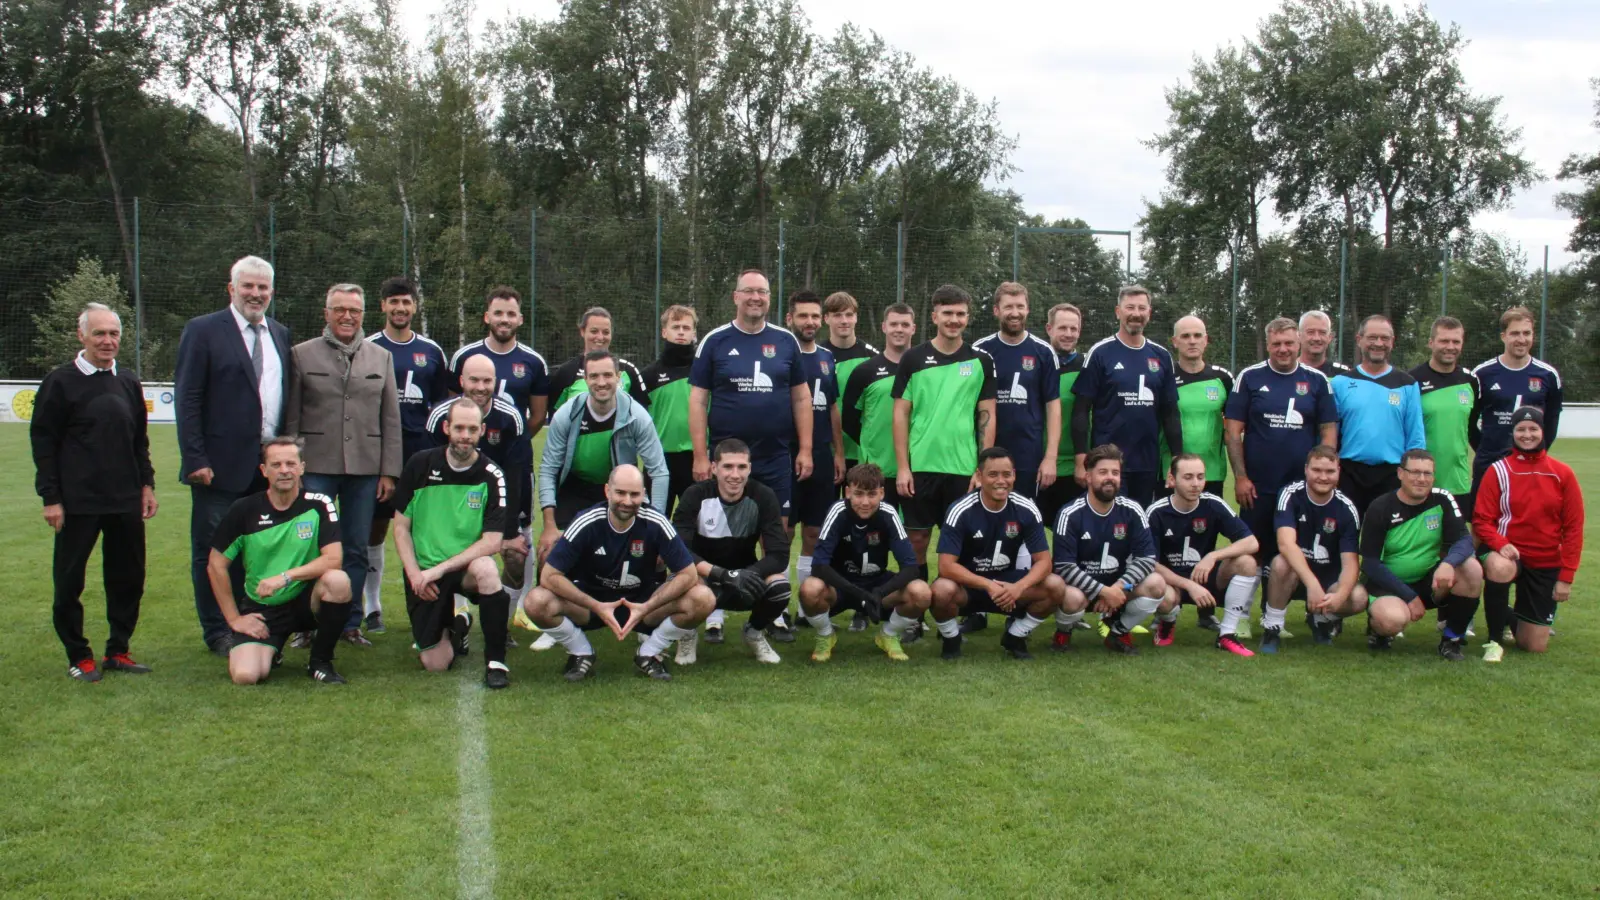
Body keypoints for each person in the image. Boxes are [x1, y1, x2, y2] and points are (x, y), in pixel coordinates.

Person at [32, 303, 158, 681]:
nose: (107, 341)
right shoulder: (60, 381)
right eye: (99, 333)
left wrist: (146, 484)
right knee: (69, 581)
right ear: (81, 336)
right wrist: (50, 497)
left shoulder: (128, 382)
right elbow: (44, 443)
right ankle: (78, 654)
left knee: (128, 578)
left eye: (114, 334)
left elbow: (139, 441)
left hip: (124, 500)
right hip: (77, 502)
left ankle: (118, 649)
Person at [175, 254, 293, 655]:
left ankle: (249, 620)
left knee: (256, 550)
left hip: (266, 468)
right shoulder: (204, 330)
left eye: (262, 288)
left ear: (271, 293)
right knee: (213, 552)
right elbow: (188, 399)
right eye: (248, 286)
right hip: (219, 467)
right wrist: (195, 458)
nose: (255, 294)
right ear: (232, 289)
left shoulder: (280, 333)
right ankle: (217, 630)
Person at [283, 283, 402, 648]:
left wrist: (388, 470)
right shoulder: (301, 355)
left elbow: (390, 418)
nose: (347, 317)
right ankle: (306, 622)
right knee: (310, 547)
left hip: (365, 470)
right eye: (339, 310)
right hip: (316, 465)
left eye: (354, 310)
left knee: (354, 548)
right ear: (326, 313)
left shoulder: (380, 357)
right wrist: (292, 464)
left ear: (364, 314)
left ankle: (348, 622)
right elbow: (291, 416)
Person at [521, 465, 713, 683]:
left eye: (635, 494)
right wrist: (597, 606)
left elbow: (687, 574)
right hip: (591, 604)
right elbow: (549, 575)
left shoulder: (656, 521)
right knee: (536, 601)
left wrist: (646, 607)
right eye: (620, 492)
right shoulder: (587, 521)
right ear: (607, 491)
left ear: (644, 494)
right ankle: (581, 651)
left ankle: (649, 653)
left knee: (703, 598)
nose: (627, 501)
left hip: (642, 604)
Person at [390, 401, 514, 688]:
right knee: (436, 664)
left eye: (472, 429)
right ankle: (458, 625)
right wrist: (416, 575)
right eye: (459, 427)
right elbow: (400, 527)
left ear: (482, 431)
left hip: (462, 568)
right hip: (424, 570)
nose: (465, 435)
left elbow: (493, 542)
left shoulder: (492, 475)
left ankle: (497, 663)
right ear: (446, 428)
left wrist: (440, 571)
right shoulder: (419, 465)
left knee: (487, 569)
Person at [210, 438, 352, 685]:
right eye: (276, 464)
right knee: (246, 676)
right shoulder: (244, 509)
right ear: (264, 471)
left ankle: (320, 661)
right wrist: (234, 619)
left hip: (305, 600)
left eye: (290, 463)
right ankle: (271, 650)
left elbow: (334, 558)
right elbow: (215, 564)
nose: (284, 470)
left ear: (302, 467)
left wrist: (286, 577)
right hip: (263, 606)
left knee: (338, 581)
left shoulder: (319, 504)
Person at [892, 285, 997, 584]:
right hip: (921, 466)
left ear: (968, 317)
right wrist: (903, 467)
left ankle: (955, 612)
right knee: (918, 541)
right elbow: (900, 414)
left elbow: (986, 416)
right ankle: (916, 609)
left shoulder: (982, 361)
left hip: (963, 469)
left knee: (963, 543)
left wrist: (982, 467)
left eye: (960, 314)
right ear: (935, 316)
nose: (954, 319)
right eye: (948, 313)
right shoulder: (912, 359)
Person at [690, 269, 812, 521]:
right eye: (748, 291)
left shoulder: (786, 341)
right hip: (727, 458)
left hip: (775, 457)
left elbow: (801, 398)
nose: (755, 297)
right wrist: (701, 456)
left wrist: (806, 449)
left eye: (762, 292)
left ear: (769, 297)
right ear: (735, 297)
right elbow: (698, 401)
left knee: (777, 533)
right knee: (724, 534)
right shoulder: (714, 341)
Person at [363, 277, 450, 634]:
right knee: (375, 529)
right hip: (377, 455)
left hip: (422, 453)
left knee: (427, 530)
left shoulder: (431, 351)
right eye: (393, 301)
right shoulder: (367, 346)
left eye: (406, 302)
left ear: (415, 307)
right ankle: (372, 607)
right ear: (382, 306)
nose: (400, 308)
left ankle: (436, 603)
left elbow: (442, 407)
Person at [448, 286, 549, 585]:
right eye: (498, 313)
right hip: (467, 463)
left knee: (520, 536)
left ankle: (519, 608)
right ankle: (458, 608)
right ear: (486, 317)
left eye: (510, 314)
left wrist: (510, 443)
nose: (504, 319)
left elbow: (538, 416)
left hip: (513, 463)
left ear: (520, 319)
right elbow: (454, 410)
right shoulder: (465, 356)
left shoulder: (533, 361)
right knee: (461, 533)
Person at [929, 447, 1068, 661]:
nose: (1001, 481)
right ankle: (951, 638)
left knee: (1056, 585)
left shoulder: (1026, 508)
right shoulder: (960, 510)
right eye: (993, 474)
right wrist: (988, 585)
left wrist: (1018, 587)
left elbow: (1044, 562)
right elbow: (946, 566)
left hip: (1009, 584)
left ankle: (1016, 636)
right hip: (970, 585)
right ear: (979, 476)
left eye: (1007, 474)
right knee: (941, 590)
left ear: (1014, 475)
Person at [1225, 317, 1338, 572]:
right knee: (1252, 550)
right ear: (1268, 345)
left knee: (1296, 551)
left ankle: (1286, 610)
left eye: (1288, 343)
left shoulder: (1317, 380)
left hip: (1302, 486)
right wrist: (1241, 477)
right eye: (1277, 344)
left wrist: (1324, 475)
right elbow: (1233, 432)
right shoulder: (1249, 377)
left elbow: (1328, 430)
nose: (1283, 349)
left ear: (1299, 343)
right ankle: (1238, 609)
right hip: (1257, 487)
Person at [537, 349, 670, 562]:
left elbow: (659, 471)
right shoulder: (567, 414)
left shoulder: (636, 416)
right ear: (585, 379)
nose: (601, 382)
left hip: (619, 492)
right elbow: (548, 468)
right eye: (594, 376)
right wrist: (549, 526)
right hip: (575, 489)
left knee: (648, 554)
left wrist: (659, 523)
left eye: (608, 375)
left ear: (618, 377)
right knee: (549, 554)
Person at [1473, 407, 1584, 659]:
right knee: (1500, 567)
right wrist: (1500, 543)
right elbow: (1482, 520)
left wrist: (1566, 576)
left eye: (1533, 429)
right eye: (1520, 429)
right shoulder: (1498, 470)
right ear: (1512, 433)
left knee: (1533, 646)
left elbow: (1574, 528)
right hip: (1508, 554)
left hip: (1545, 561)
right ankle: (1494, 641)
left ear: (1543, 432)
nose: (1527, 434)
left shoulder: (1562, 473)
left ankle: (1508, 613)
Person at [671, 440, 791, 664]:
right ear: (714, 468)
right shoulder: (695, 495)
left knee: (779, 586)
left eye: (741, 467)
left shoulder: (763, 496)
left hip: (745, 578)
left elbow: (780, 554)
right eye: (728, 467)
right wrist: (721, 574)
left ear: (750, 469)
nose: (735, 475)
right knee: (683, 581)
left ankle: (754, 633)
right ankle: (686, 634)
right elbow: (678, 550)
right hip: (702, 578)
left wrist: (749, 573)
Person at [797, 463, 932, 662]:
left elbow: (911, 568)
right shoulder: (838, 512)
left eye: (872, 494)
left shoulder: (888, 514)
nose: (865, 502)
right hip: (840, 587)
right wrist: (860, 595)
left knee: (921, 592)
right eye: (859, 494)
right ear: (848, 491)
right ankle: (825, 635)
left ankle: (888, 635)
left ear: (882, 493)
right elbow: (819, 565)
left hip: (875, 584)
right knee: (809, 589)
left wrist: (879, 593)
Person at [429, 355, 532, 610]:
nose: (480, 386)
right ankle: (452, 617)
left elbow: (514, 477)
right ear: (462, 381)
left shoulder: (511, 418)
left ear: (495, 383)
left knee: (516, 556)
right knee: (440, 553)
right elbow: (429, 475)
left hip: (497, 499)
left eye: (487, 380)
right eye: (474, 379)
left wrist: (509, 532)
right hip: (452, 501)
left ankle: (503, 621)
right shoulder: (440, 416)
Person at [1361, 449, 1483, 660]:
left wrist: (1448, 564)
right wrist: (1409, 596)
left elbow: (1464, 540)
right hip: (1389, 585)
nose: (1421, 479)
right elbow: (1370, 563)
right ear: (1400, 473)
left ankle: (1451, 640)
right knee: (1391, 620)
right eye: (1414, 472)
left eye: (1427, 473)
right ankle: (1379, 631)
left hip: (1429, 581)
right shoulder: (1380, 507)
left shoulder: (1442, 499)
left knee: (1471, 568)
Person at [1072, 285, 1182, 507]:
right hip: (1108, 463)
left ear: (1149, 314)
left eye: (1142, 308)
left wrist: (1176, 457)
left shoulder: (1161, 356)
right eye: (1130, 307)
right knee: (1111, 524)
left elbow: (1170, 413)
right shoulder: (1100, 353)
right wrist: (1080, 459)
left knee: (1139, 524)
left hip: (1147, 462)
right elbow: (1081, 410)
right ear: (1118, 312)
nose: (1136, 313)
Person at [1051, 444, 1165, 655]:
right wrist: (1102, 591)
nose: (1110, 478)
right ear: (1088, 477)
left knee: (1157, 583)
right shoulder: (1070, 513)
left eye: (1115, 473)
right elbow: (1063, 566)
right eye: (1103, 472)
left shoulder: (1132, 509)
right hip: (1081, 589)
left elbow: (1147, 558)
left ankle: (1118, 632)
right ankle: (1063, 631)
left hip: (1120, 587)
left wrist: (1118, 588)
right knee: (1071, 597)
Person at [1146, 454, 1258, 656]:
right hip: (1173, 584)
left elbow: (1251, 542)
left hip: (1206, 578)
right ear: (1172, 479)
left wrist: (1213, 556)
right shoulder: (1156, 512)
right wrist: (1188, 585)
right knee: (1161, 590)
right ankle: (1167, 623)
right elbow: (1149, 563)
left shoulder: (1213, 504)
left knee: (1247, 563)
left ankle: (1227, 634)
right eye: (1188, 477)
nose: (1196, 484)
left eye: (1200, 477)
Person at [1264, 447, 1368, 652]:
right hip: (1294, 575)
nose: (1323, 477)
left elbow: (1350, 564)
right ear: (1306, 470)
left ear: (1339, 472)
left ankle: (1321, 619)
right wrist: (1311, 584)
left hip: (1327, 582)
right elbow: (1285, 543)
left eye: (1330, 471)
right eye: (1317, 470)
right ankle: (1272, 627)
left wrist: (1339, 596)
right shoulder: (1290, 494)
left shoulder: (1347, 508)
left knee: (1358, 597)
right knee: (1281, 563)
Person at [786, 291, 846, 622]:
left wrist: (839, 452)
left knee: (813, 532)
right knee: (782, 532)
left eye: (814, 316)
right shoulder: (782, 355)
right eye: (802, 316)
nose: (809, 322)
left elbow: (832, 406)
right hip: (787, 454)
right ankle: (778, 610)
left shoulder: (826, 357)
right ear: (789, 320)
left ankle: (803, 609)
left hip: (822, 456)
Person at [1330, 315, 1426, 518]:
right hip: (1349, 474)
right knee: (1346, 537)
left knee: (1390, 539)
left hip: (1391, 474)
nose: (1378, 344)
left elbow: (1415, 436)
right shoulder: (1341, 383)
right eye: (1372, 338)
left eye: (1384, 338)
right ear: (1359, 340)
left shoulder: (1407, 384)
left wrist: (1414, 473)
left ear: (1393, 341)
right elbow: (1331, 433)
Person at [973, 282, 1060, 500]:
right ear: (996, 310)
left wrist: (1050, 457)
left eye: (1020, 307)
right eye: (1008, 307)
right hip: (987, 453)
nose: (1015, 313)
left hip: (1028, 453)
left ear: (1027, 310)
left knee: (1023, 518)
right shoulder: (980, 350)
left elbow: (1053, 407)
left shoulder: (1044, 352)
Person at [1470, 306, 1563, 499]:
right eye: (1515, 333)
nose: (1521, 339)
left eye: (1526, 333)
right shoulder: (1482, 374)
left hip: (1530, 465)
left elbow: (1551, 423)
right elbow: (1468, 423)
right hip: (1489, 464)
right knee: (1482, 524)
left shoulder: (1548, 375)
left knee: (1526, 523)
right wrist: (1487, 449)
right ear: (1503, 336)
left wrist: (1536, 453)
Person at [841, 302, 917, 511]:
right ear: (884, 327)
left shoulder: (923, 370)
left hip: (916, 468)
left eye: (904, 324)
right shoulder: (865, 371)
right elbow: (848, 420)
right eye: (894, 324)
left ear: (913, 328)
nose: (899, 329)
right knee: (874, 538)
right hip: (876, 470)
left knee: (914, 537)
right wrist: (873, 442)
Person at [1410, 316, 1481, 513]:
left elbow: (1473, 429)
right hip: (1420, 479)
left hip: (1458, 479)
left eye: (1456, 341)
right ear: (1431, 343)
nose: (1450, 346)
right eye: (1444, 341)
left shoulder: (1470, 381)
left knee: (1457, 540)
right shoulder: (1412, 380)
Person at [1161, 315, 1232, 498]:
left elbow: (1235, 427)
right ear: (1175, 342)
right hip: (1172, 471)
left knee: (1207, 526)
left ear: (1205, 340)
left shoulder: (1222, 379)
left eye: (1197, 335)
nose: (1192, 341)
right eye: (1185, 336)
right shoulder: (1164, 377)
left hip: (1211, 471)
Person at [640, 305, 699, 513]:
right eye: (675, 327)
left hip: (696, 459)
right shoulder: (648, 375)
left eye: (686, 327)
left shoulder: (704, 371)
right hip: (658, 460)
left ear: (693, 333)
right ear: (664, 332)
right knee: (653, 522)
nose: (681, 332)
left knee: (696, 526)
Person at [543, 306, 649, 411]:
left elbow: (642, 412)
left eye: (606, 332)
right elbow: (556, 417)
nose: (600, 337)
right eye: (594, 331)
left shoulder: (628, 370)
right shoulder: (566, 372)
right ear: (582, 332)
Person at [818, 291, 879, 472]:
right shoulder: (817, 355)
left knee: (861, 500)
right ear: (826, 318)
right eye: (837, 315)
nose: (844, 320)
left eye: (849, 315)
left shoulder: (872, 357)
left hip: (862, 449)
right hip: (827, 448)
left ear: (856, 318)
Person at [1037, 303, 1085, 527]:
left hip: (1075, 466)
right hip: (1037, 463)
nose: (1068, 334)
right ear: (1049, 328)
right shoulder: (1035, 363)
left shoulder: (1088, 366)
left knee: (1072, 535)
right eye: (1062, 328)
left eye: (1073, 329)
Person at [1297, 310, 1351, 378]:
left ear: (1330, 337)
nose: (1316, 338)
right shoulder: (1285, 371)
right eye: (1310, 332)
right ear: (1299, 336)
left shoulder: (1343, 374)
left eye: (1322, 332)